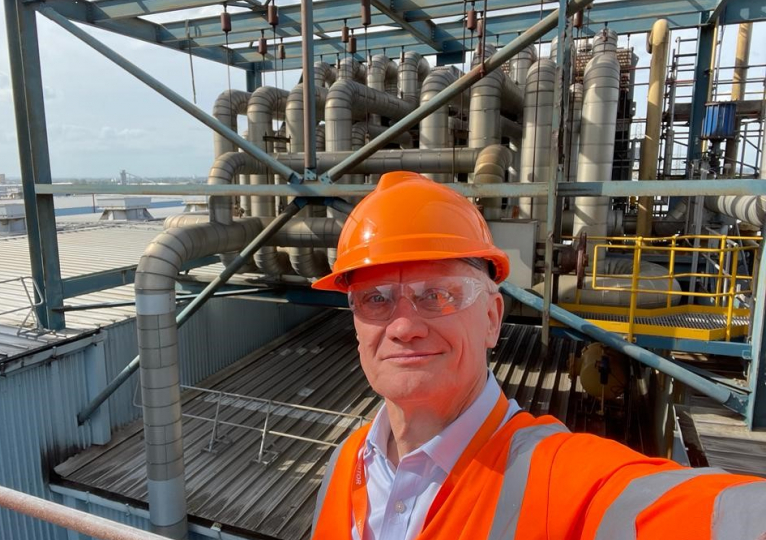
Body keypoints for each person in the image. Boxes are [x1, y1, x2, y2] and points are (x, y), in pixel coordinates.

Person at [309, 171, 766, 540]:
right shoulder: (345, 463)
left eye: (439, 295)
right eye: (376, 299)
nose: (404, 327)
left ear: (492, 317)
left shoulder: (561, 481)